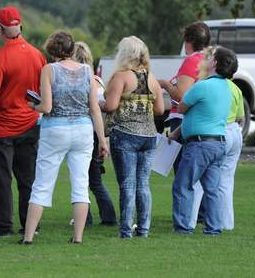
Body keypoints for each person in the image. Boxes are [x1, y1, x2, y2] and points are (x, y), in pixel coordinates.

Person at [22, 31, 108, 244]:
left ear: (52, 50)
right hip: (83, 129)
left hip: (56, 129)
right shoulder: (88, 71)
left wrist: (34, 105)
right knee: (80, 184)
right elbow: (95, 109)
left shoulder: (49, 70)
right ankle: (77, 237)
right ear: (71, 49)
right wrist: (103, 139)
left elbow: (47, 106)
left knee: (42, 183)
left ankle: (28, 237)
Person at [0, 6, 46, 237]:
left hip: (2, 126)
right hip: (29, 122)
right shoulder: (37, 54)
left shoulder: (0, 56)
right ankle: (31, 225)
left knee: (1, 178)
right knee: (27, 178)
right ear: (20, 26)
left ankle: (2, 228)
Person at [169, 46, 236, 235]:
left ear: (214, 63)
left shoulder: (203, 85)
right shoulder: (226, 87)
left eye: (210, 58)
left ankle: (183, 228)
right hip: (218, 143)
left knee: (183, 184)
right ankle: (214, 228)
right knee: (212, 188)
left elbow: (181, 107)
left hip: (199, 144)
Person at [103, 36, 164, 238]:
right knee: (143, 184)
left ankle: (126, 230)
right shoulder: (152, 78)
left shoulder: (121, 77)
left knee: (127, 185)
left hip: (126, 135)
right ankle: (144, 229)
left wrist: (96, 105)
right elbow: (160, 109)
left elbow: (110, 106)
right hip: (149, 136)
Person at [187, 46, 243, 231]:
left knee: (199, 183)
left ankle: (189, 221)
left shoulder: (211, 85)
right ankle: (226, 223)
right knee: (226, 182)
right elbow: (240, 117)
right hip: (235, 133)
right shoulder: (235, 88)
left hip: (218, 133)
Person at [72, 42, 117, 228]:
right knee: (93, 180)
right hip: (96, 135)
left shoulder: (79, 80)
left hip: (85, 134)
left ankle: (89, 217)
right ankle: (104, 216)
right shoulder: (97, 81)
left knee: (84, 179)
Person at [158, 21, 210, 171]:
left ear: (190, 41)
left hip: (183, 121)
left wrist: (165, 84)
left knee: (182, 173)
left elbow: (182, 96)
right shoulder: (208, 60)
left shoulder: (192, 60)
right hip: (200, 122)